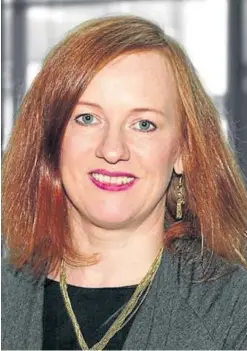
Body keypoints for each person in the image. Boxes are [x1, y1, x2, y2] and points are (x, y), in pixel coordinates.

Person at [2, 14, 247, 350]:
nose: (112, 150)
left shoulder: (233, 310)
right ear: (51, 140)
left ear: (183, 151)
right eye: (87, 118)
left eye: (144, 124)